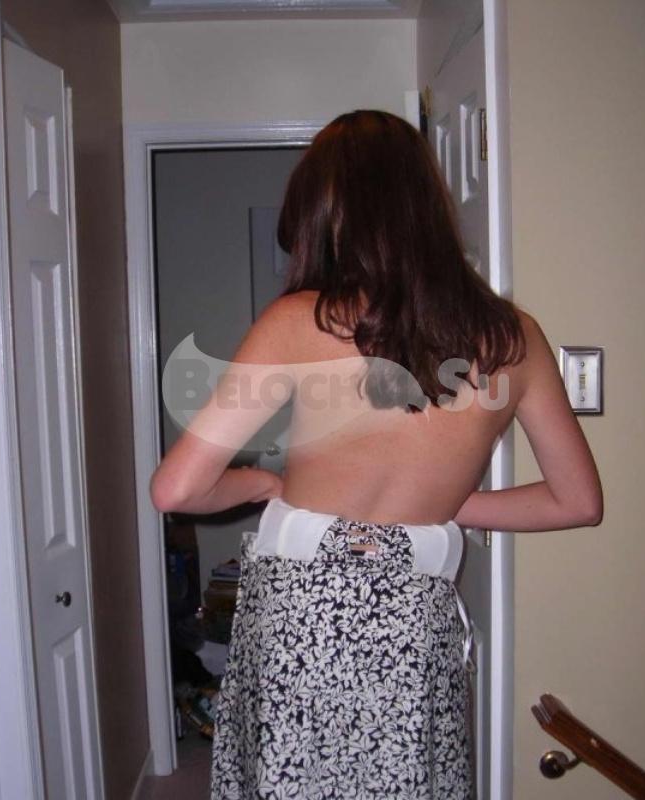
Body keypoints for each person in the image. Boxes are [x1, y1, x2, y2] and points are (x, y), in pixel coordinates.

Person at [150, 109, 603, 799]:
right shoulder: (515, 338)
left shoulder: (299, 319)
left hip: (298, 617)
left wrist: (261, 484)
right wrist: (445, 504)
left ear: (328, 216)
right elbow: (576, 501)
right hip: (415, 624)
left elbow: (176, 489)